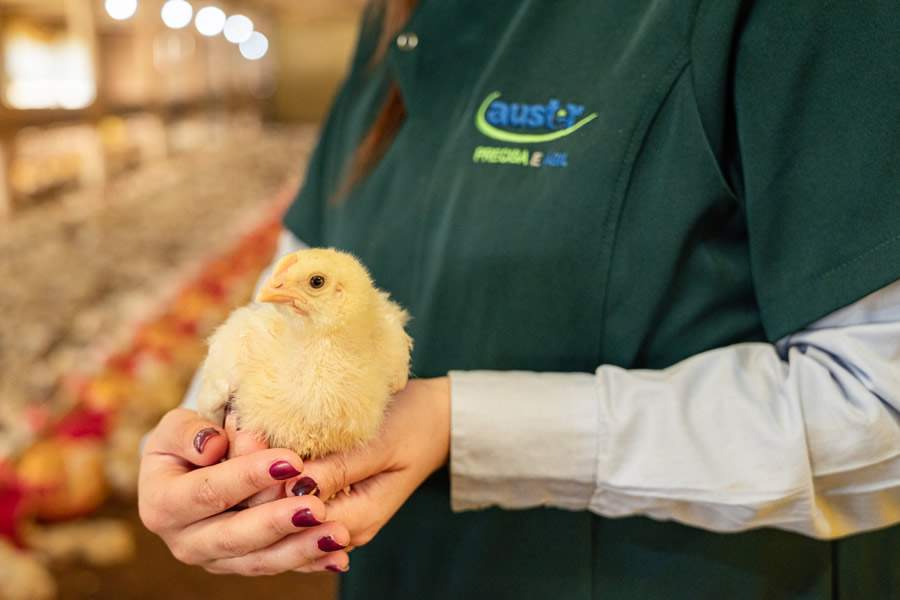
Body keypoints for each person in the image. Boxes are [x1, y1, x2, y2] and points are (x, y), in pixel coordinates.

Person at [138, 1, 900, 598]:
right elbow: (274, 307)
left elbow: (877, 407)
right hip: (409, 575)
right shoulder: (395, 25)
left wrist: (462, 424)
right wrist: (209, 443)